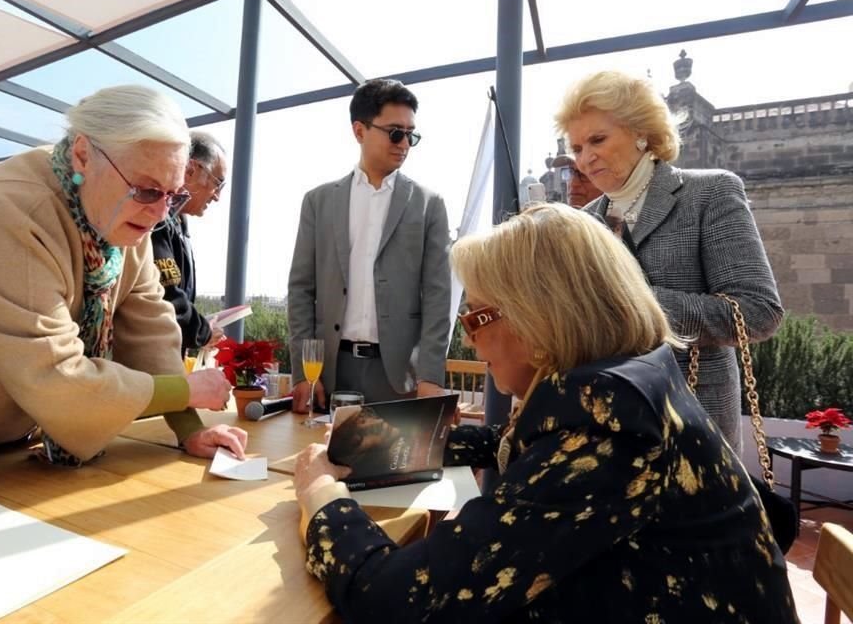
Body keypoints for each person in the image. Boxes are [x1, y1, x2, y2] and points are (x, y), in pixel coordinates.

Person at [294, 203, 798, 623]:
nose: (467, 336)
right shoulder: (627, 378)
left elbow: (401, 603)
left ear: (540, 318)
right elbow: (513, 442)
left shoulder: (610, 424)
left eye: (476, 315)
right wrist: (379, 441)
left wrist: (321, 497)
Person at [0, 85, 247, 466]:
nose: (161, 213)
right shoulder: (4, 209)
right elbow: (57, 377)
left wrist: (191, 429)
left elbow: (150, 328)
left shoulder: (121, 222)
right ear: (82, 155)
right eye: (147, 190)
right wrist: (183, 391)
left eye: (173, 196)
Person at [555, 70, 783, 452]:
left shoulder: (711, 192)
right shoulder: (582, 222)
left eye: (597, 139)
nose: (585, 158)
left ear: (641, 132)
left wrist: (635, 302)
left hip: (692, 416)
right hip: (604, 420)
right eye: (576, 148)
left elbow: (758, 313)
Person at [287, 78, 451, 409]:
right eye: (395, 132)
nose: (404, 143)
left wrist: (430, 376)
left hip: (400, 378)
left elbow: (438, 295)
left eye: (410, 134)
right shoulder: (318, 203)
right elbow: (301, 290)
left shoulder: (429, 204)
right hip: (331, 372)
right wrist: (303, 372)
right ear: (359, 131)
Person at [151, 131, 228, 356]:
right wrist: (202, 331)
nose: (217, 197)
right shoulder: (156, 217)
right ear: (191, 170)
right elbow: (165, 295)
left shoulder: (179, 221)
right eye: (218, 184)